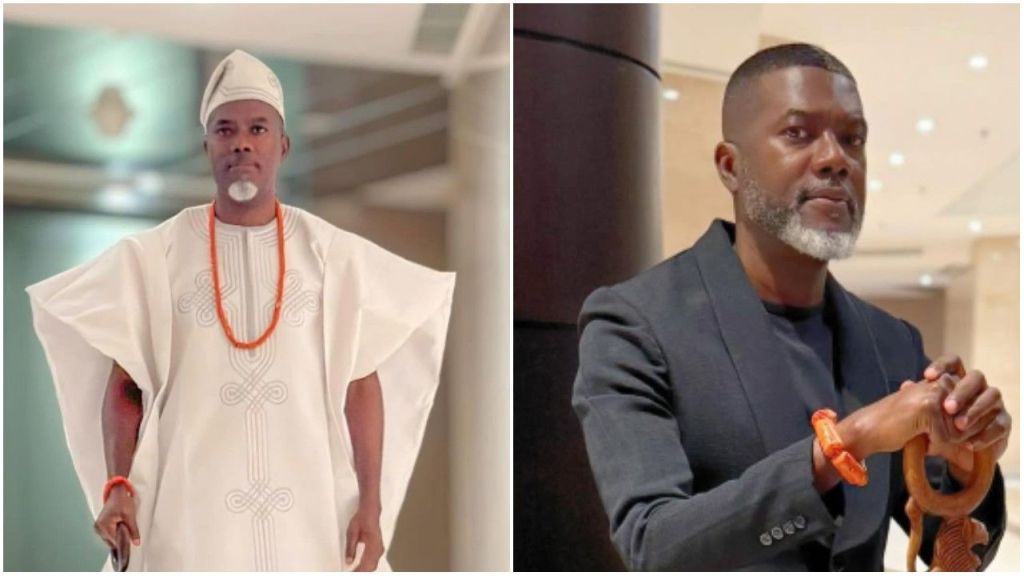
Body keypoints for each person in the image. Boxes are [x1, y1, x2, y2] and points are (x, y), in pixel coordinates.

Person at [572, 43, 1010, 571]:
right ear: (732, 166)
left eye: (853, 140)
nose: (835, 159)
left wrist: (967, 466)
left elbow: (951, 550)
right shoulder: (636, 325)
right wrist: (846, 442)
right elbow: (655, 548)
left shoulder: (890, 341)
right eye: (798, 134)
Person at [27, 49, 455, 571]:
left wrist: (371, 505)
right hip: (193, 511)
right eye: (225, 130)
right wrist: (117, 484)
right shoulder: (156, 256)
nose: (242, 142)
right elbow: (125, 384)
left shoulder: (333, 256)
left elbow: (361, 383)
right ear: (207, 145)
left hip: (312, 512)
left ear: (283, 144)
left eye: (258, 128)